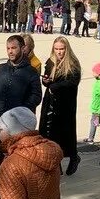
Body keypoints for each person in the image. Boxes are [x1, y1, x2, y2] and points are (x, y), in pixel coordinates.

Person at [0, 35, 42, 166]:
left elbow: (36, 95)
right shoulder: (1, 69)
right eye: (8, 48)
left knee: (17, 155)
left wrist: (22, 112)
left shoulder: (31, 71)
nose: (10, 51)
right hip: (0, 119)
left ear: (22, 48)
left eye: (14, 48)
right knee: (0, 152)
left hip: (18, 123)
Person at [39, 36, 82, 176]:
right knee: (49, 132)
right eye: (56, 49)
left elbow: (72, 82)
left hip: (65, 104)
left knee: (66, 133)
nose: (59, 52)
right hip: (50, 102)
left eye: (62, 49)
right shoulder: (51, 61)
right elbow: (47, 79)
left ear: (66, 49)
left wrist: (55, 86)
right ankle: (55, 163)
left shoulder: (73, 63)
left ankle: (73, 157)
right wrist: (46, 81)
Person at [86, 62, 100, 143]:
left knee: (95, 123)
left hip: (98, 110)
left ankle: (90, 139)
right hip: (97, 109)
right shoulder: (99, 82)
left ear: (98, 73)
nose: (92, 73)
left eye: (94, 72)